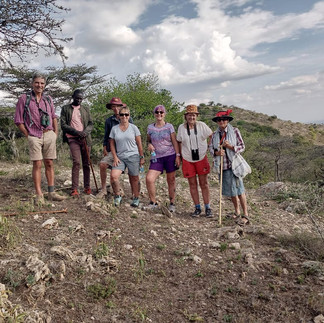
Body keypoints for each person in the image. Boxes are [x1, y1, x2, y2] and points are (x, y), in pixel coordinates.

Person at [14, 72, 66, 204]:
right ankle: (39, 194)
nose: (39, 85)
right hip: (33, 134)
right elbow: (18, 120)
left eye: (42, 83)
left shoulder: (48, 99)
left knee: (49, 162)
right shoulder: (24, 99)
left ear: (45, 85)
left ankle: (51, 192)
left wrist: (55, 133)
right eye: (37, 82)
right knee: (37, 164)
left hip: (49, 133)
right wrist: (28, 135)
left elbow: (53, 116)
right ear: (32, 83)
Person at [210, 109, 249, 225]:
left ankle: (245, 214)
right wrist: (217, 153)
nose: (222, 121)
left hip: (234, 166)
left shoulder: (235, 131)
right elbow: (211, 148)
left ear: (227, 120)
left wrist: (231, 147)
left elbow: (242, 146)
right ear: (217, 122)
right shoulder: (215, 135)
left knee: (239, 190)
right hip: (223, 165)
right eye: (219, 120)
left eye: (224, 119)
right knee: (231, 191)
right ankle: (237, 212)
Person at [176, 104, 213, 217]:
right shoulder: (181, 128)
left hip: (201, 156)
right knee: (192, 184)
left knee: (204, 183)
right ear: (185, 116)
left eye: (193, 115)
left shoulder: (202, 126)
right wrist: (179, 155)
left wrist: (209, 146)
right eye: (189, 115)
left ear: (196, 116)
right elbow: (179, 141)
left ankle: (208, 207)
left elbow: (212, 135)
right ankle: (197, 207)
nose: (191, 117)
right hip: (187, 158)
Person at [145, 105, 181, 212]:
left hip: (170, 155)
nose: (159, 114)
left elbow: (174, 142)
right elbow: (148, 140)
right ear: (154, 114)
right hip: (157, 157)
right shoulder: (150, 128)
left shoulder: (169, 127)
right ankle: (153, 202)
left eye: (161, 112)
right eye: (157, 112)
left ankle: (172, 203)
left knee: (171, 180)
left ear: (164, 114)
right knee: (149, 179)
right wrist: (149, 145)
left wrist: (178, 156)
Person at [97, 97, 134, 198]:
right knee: (103, 164)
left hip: (126, 150)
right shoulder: (109, 121)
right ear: (112, 108)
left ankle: (134, 193)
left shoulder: (129, 119)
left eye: (118, 106)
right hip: (112, 150)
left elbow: (133, 135)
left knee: (131, 171)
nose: (116, 108)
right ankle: (104, 189)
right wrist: (105, 147)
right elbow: (106, 135)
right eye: (114, 106)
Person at [109, 106, 144, 207]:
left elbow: (139, 143)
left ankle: (136, 197)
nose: (124, 116)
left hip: (133, 155)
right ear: (118, 116)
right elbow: (111, 143)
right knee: (114, 176)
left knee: (134, 177)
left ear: (129, 116)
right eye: (122, 114)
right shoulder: (114, 129)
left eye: (126, 114)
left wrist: (141, 157)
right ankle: (117, 195)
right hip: (120, 156)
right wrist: (115, 157)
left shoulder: (134, 128)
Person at [60, 89, 93, 197]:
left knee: (86, 163)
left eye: (81, 98)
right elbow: (63, 125)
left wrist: (84, 133)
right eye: (77, 98)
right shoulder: (65, 109)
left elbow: (90, 124)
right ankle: (74, 189)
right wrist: (76, 132)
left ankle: (87, 187)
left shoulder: (85, 109)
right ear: (73, 97)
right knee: (76, 162)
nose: (79, 100)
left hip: (85, 139)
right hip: (73, 138)